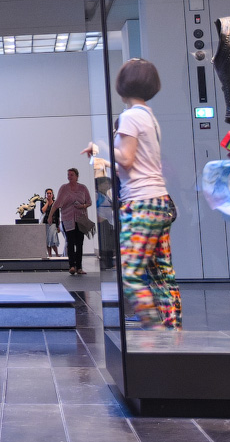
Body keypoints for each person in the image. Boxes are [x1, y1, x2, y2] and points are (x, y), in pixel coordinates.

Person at [85, 58, 180, 328]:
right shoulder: (149, 116)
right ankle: (172, 332)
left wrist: (99, 151)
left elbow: (125, 159)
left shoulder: (130, 116)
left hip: (140, 202)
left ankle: (153, 333)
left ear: (123, 85)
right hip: (159, 200)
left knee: (131, 274)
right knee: (162, 274)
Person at [54, 168, 92, 275]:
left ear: (77, 176)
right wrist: (51, 216)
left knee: (79, 243)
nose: (69, 177)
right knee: (70, 242)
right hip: (68, 218)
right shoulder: (64, 188)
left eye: (71, 175)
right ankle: (71, 266)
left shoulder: (83, 188)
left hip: (80, 219)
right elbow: (58, 203)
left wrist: (82, 206)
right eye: (68, 175)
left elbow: (89, 202)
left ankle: (79, 267)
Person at [41, 188, 61, 258]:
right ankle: (49, 254)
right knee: (47, 240)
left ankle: (56, 254)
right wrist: (47, 202)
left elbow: (58, 215)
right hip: (45, 223)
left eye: (50, 193)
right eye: (47, 193)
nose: (49, 195)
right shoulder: (43, 202)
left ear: (52, 194)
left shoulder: (55, 203)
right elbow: (43, 211)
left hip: (53, 223)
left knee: (53, 239)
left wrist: (58, 226)